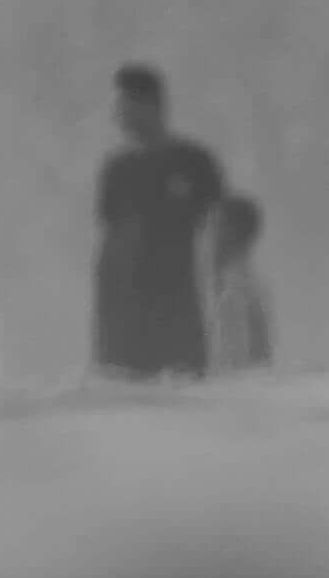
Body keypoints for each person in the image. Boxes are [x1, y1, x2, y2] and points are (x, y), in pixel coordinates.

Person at [92, 63, 227, 380]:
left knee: (186, 401)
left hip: (178, 307)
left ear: (150, 104)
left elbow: (219, 227)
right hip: (124, 318)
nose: (117, 116)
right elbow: (109, 239)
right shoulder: (117, 169)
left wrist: (220, 293)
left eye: (123, 106)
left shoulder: (195, 162)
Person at [205, 193, 273, 374]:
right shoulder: (250, 283)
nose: (208, 238)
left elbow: (234, 366)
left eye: (214, 228)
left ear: (231, 234)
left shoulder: (235, 289)